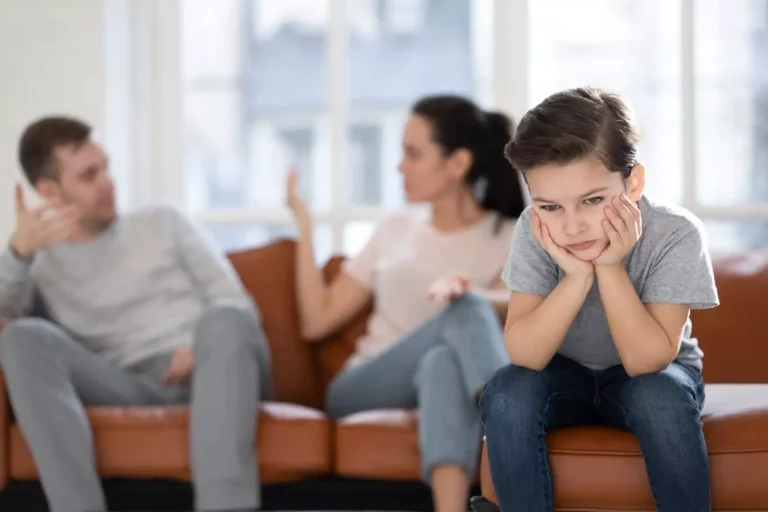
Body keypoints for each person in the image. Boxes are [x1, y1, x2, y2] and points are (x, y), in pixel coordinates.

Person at [0, 116, 272, 512]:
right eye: (89, 175)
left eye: (106, 166)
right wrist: (18, 255)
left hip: (215, 371)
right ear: (49, 191)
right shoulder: (40, 266)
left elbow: (237, 305)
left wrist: (199, 345)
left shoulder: (165, 222)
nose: (108, 181)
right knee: (21, 338)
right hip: (126, 384)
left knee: (226, 317)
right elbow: (7, 322)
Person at [479, 87, 719, 512]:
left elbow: (647, 362)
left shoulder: (676, 233)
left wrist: (610, 268)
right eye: (551, 206)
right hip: (563, 375)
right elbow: (526, 355)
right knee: (505, 391)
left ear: (634, 182)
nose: (572, 228)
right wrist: (575, 276)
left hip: (652, 376)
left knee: (658, 396)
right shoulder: (535, 230)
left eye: (592, 200)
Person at [286, 95, 526, 512]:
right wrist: (305, 227)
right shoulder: (395, 227)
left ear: (457, 164)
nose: (399, 166)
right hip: (365, 386)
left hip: (444, 379)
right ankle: (515, 423)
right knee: (463, 311)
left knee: (442, 363)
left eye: (413, 154)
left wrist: (472, 296)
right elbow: (316, 321)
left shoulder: (509, 236)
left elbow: (524, 306)